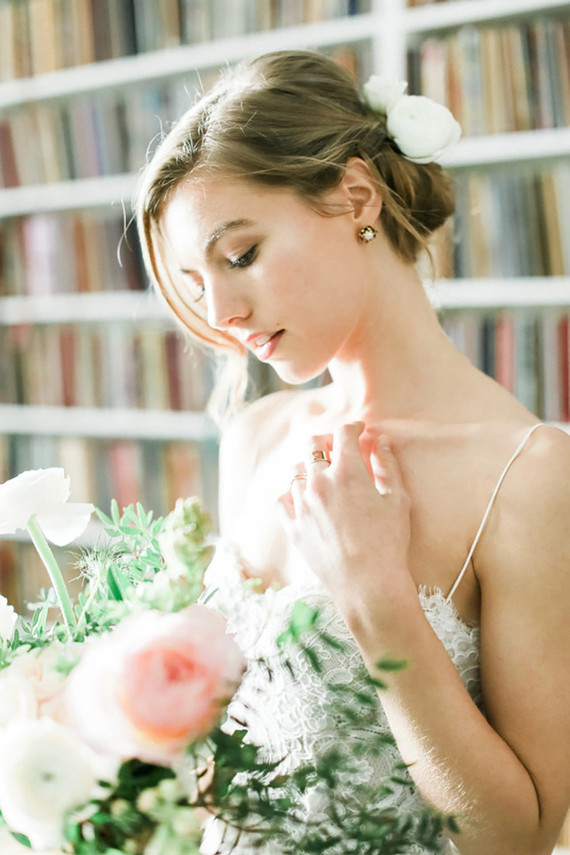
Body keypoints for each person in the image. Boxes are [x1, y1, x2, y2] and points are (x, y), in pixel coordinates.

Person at [136, 50, 570, 854]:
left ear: (357, 195)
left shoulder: (529, 476)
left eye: (241, 255)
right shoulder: (256, 438)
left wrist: (377, 597)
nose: (222, 311)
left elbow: (520, 837)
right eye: (198, 283)